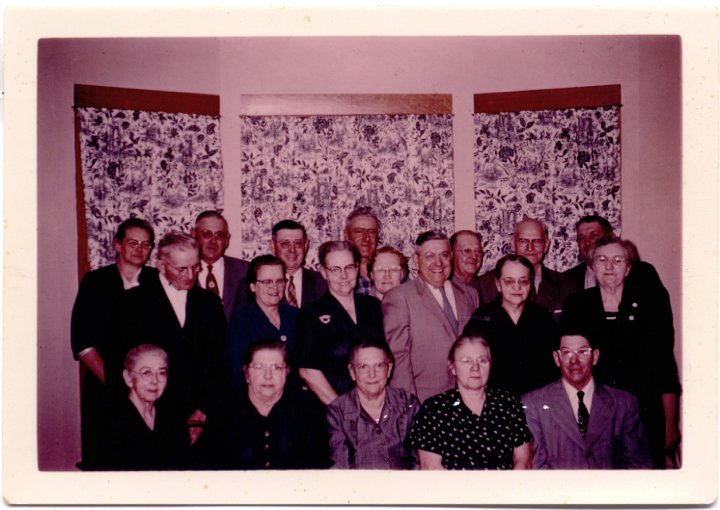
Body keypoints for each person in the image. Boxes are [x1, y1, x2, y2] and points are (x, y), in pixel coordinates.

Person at [562, 235, 681, 469]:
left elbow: (664, 365)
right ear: (593, 266)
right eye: (602, 259)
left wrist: (670, 423)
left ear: (628, 268)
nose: (609, 266)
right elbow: (570, 363)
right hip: (594, 410)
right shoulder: (577, 304)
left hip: (644, 410)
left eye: (617, 260)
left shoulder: (648, 304)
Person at [110, 232, 227, 447]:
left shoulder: (209, 303)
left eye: (195, 267)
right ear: (161, 266)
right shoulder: (132, 303)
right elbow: (122, 361)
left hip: (202, 413)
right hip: (153, 412)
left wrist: (203, 409)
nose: (191, 275)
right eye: (181, 269)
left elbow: (218, 359)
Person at [70, 217, 157, 469]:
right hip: (104, 389)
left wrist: (141, 388)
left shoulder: (157, 281)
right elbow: (83, 343)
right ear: (117, 245)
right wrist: (118, 386)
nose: (140, 248)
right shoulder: (95, 282)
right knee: (107, 463)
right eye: (133, 242)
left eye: (146, 244)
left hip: (149, 391)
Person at [522, 332, 652, 469]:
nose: (574, 361)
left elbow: (638, 464)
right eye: (567, 352)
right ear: (556, 358)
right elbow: (537, 467)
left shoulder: (625, 403)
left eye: (582, 351)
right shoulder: (533, 404)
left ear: (595, 357)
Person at [199, 339, 330, 469]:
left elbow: (318, 467)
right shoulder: (223, 410)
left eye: (277, 368)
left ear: (287, 373)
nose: (268, 376)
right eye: (259, 367)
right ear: (246, 373)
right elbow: (207, 467)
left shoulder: (308, 409)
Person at [408, 333, 532, 470]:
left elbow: (523, 461)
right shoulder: (434, 409)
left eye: (482, 360)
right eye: (467, 361)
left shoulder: (509, 404)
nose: (475, 368)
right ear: (452, 367)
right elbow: (431, 467)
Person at [383, 231, 479, 402]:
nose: (438, 263)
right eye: (429, 256)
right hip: (424, 402)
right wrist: (409, 408)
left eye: (444, 255)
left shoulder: (470, 294)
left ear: (451, 257)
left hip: (468, 401)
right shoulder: (399, 297)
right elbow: (398, 360)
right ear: (415, 260)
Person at [296, 241, 385, 404]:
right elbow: (308, 371)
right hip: (333, 408)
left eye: (349, 267)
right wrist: (342, 411)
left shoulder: (374, 306)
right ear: (323, 272)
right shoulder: (310, 313)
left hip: (377, 404)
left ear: (357, 268)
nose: (343, 276)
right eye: (335, 269)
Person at [464, 254, 559, 396]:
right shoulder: (481, 319)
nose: (517, 287)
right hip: (495, 403)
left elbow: (555, 368)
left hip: (537, 404)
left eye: (523, 281)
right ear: (498, 284)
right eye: (509, 281)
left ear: (531, 284)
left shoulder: (543, 317)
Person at [327, 337, 420, 469]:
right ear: (352, 372)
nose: (372, 375)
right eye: (363, 367)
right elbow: (341, 466)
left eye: (379, 366)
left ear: (389, 369)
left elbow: (419, 461)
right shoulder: (337, 412)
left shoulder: (408, 403)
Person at [99, 344, 191, 470]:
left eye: (162, 373)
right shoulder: (111, 423)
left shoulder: (174, 419)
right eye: (146, 373)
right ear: (128, 378)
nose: (155, 380)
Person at [477, 218, 576, 319]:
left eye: (537, 241)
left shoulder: (566, 286)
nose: (530, 248)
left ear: (546, 245)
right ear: (513, 244)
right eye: (523, 241)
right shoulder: (485, 284)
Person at [225, 255, 299, 390]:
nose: (275, 287)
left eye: (280, 281)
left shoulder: (296, 316)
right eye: (267, 282)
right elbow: (237, 372)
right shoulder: (241, 320)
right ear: (253, 286)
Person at [563, 214, 668, 295]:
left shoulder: (642, 273)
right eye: (581, 238)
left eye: (593, 235)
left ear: (610, 237)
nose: (587, 243)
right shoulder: (567, 279)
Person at [191, 210, 249, 319]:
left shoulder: (245, 271)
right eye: (206, 234)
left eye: (220, 235)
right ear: (194, 235)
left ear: (227, 240)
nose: (213, 240)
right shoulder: (182, 272)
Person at [269, 219, 327, 308]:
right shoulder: (256, 285)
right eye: (285, 244)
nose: (292, 250)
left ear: (306, 245)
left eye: (298, 243)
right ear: (272, 246)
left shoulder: (324, 282)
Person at [344, 206, 381, 295]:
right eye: (359, 231)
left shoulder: (390, 270)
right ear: (346, 235)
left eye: (371, 232)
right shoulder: (340, 275)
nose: (366, 238)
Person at [449, 230, 484, 294]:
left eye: (478, 251)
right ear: (452, 255)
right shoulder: (443, 288)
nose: (474, 256)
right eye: (467, 251)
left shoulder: (486, 286)